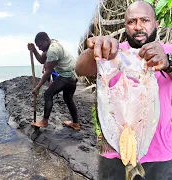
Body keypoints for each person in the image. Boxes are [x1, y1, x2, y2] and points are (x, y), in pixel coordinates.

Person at [75, 1, 172, 179]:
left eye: (145, 20)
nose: (138, 26)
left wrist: (168, 62)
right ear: (125, 26)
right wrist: (94, 51)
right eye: (131, 22)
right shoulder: (111, 53)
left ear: (156, 24)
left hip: (162, 154)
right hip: (113, 153)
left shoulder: (167, 51)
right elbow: (80, 69)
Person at [27, 32, 80, 130]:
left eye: (40, 46)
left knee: (48, 94)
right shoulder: (50, 45)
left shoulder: (52, 50)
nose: (40, 48)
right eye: (38, 47)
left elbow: (48, 72)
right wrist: (34, 50)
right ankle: (76, 123)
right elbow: (42, 60)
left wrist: (37, 87)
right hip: (73, 75)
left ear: (47, 40)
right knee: (68, 99)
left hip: (67, 76)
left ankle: (44, 121)